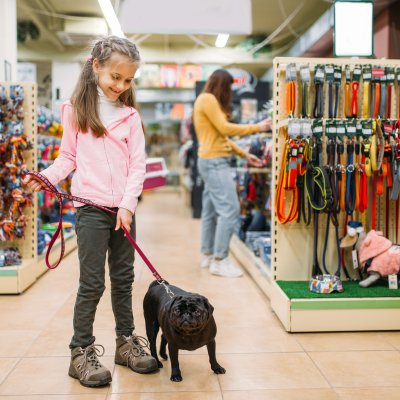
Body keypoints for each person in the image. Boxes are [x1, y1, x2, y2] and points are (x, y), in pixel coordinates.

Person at [23, 36, 158, 387]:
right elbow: (67, 156)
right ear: (96, 66)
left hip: (123, 210)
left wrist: (128, 205)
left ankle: (125, 343)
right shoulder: (75, 111)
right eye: (115, 76)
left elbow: (137, 166)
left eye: (128, 80)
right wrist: (47, 177)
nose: (121, 86)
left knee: (124, 279)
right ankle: (80, 351)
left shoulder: (130, 117)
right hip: (91, 209)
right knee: (92, 283)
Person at [193, 69, 271, 278]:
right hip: (215, 163)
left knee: (210, 212)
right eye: (229, 87)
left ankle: (208, 254)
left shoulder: (204, 100)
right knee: (230, 210)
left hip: (209, 160)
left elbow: (220, 136)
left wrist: (245, 154)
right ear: (223, 86)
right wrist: (258, 127)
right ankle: (220, 259)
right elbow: (225, 129)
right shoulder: (208, 99)